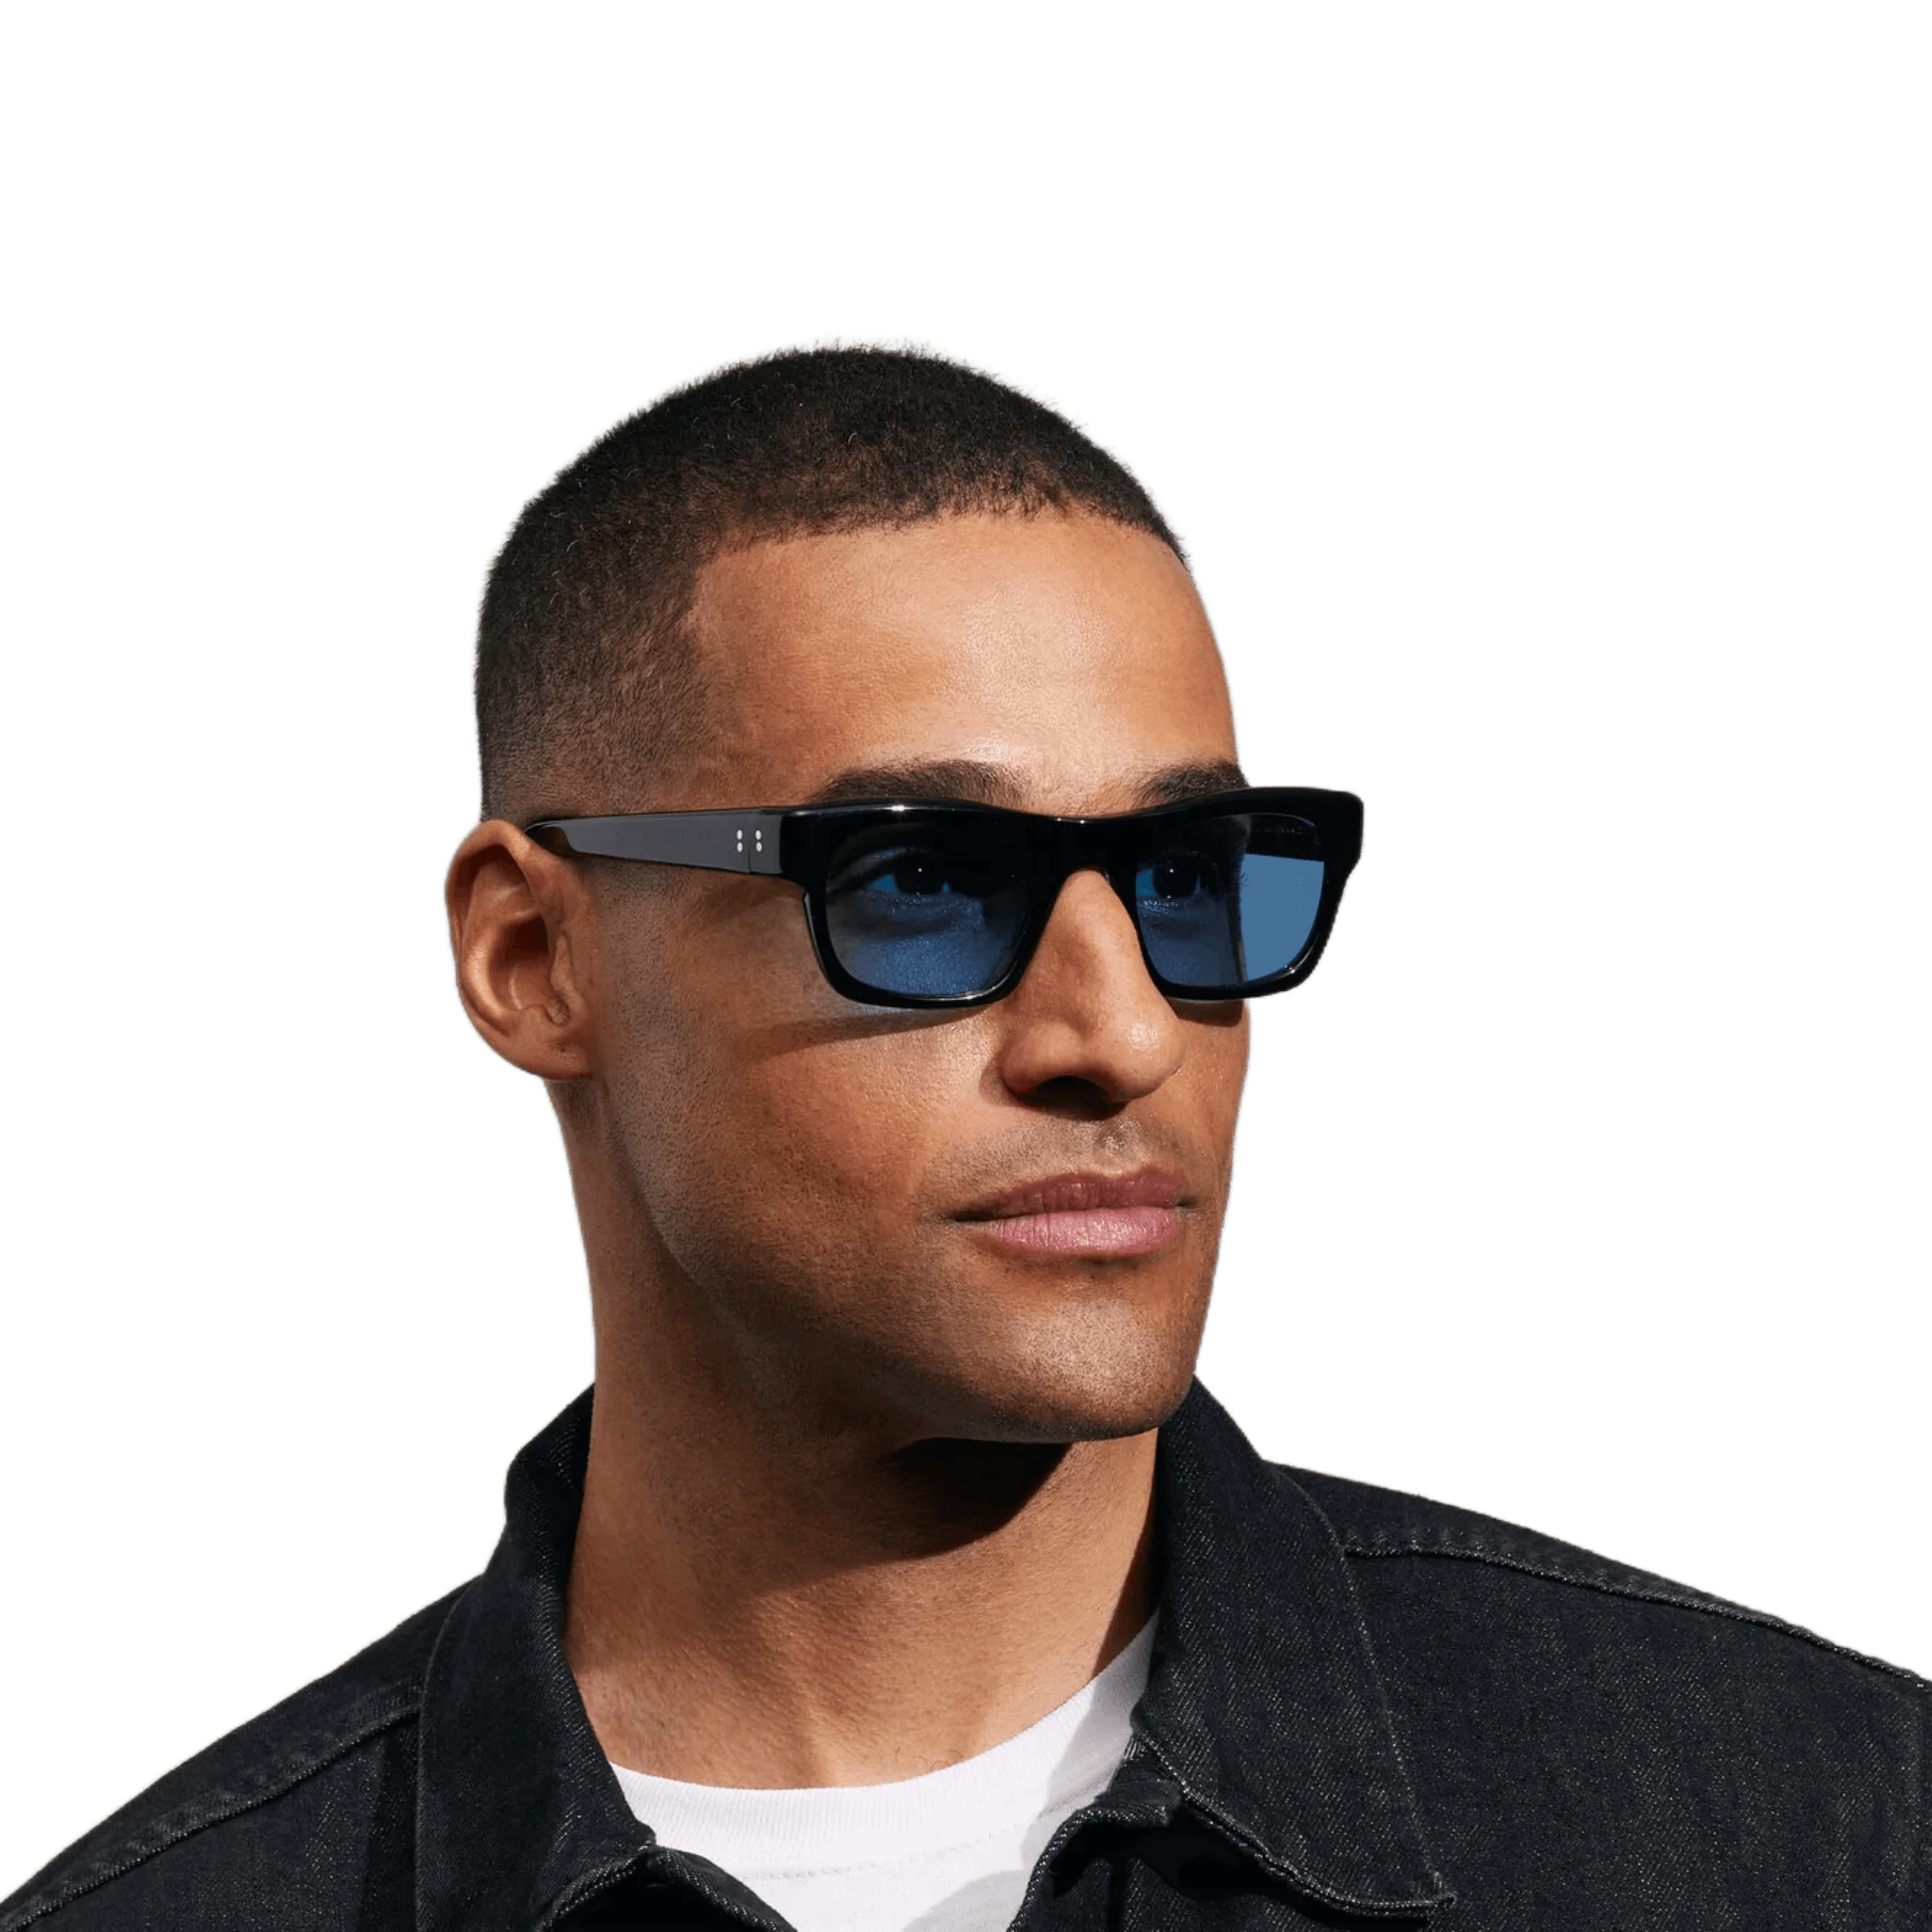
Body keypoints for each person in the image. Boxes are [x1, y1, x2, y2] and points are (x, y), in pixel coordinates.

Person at [6, 335, 1922, 1932]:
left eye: (1190, 875)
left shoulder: (1809, 1829)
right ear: (533, 956)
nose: (1120, 1034)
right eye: (923, 880)